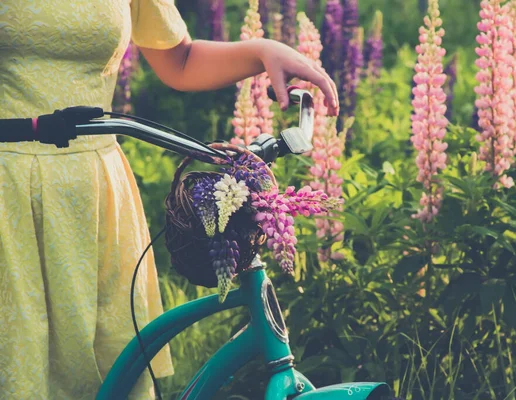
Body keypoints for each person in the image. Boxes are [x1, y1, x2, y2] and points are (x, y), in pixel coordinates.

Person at [0, 0, 338, 398]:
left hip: (95, 188)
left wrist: (264, 51)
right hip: (11, 190)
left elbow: (180, 59)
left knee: (108, 374)